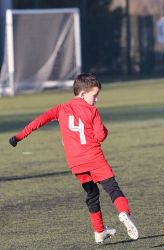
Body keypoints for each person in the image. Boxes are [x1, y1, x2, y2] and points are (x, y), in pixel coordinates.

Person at [8, 73, 139, 244]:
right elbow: (100, 136)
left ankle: (99, 231)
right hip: (94, 158)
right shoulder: (92, 111)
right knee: (113, 189)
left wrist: (18, 137)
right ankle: (123, 213)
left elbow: (39, 121)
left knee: (92, 194)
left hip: (75, 163)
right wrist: (104, 129)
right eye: (95, 96)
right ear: (83, 94)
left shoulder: (61, 108)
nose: (96, 100)